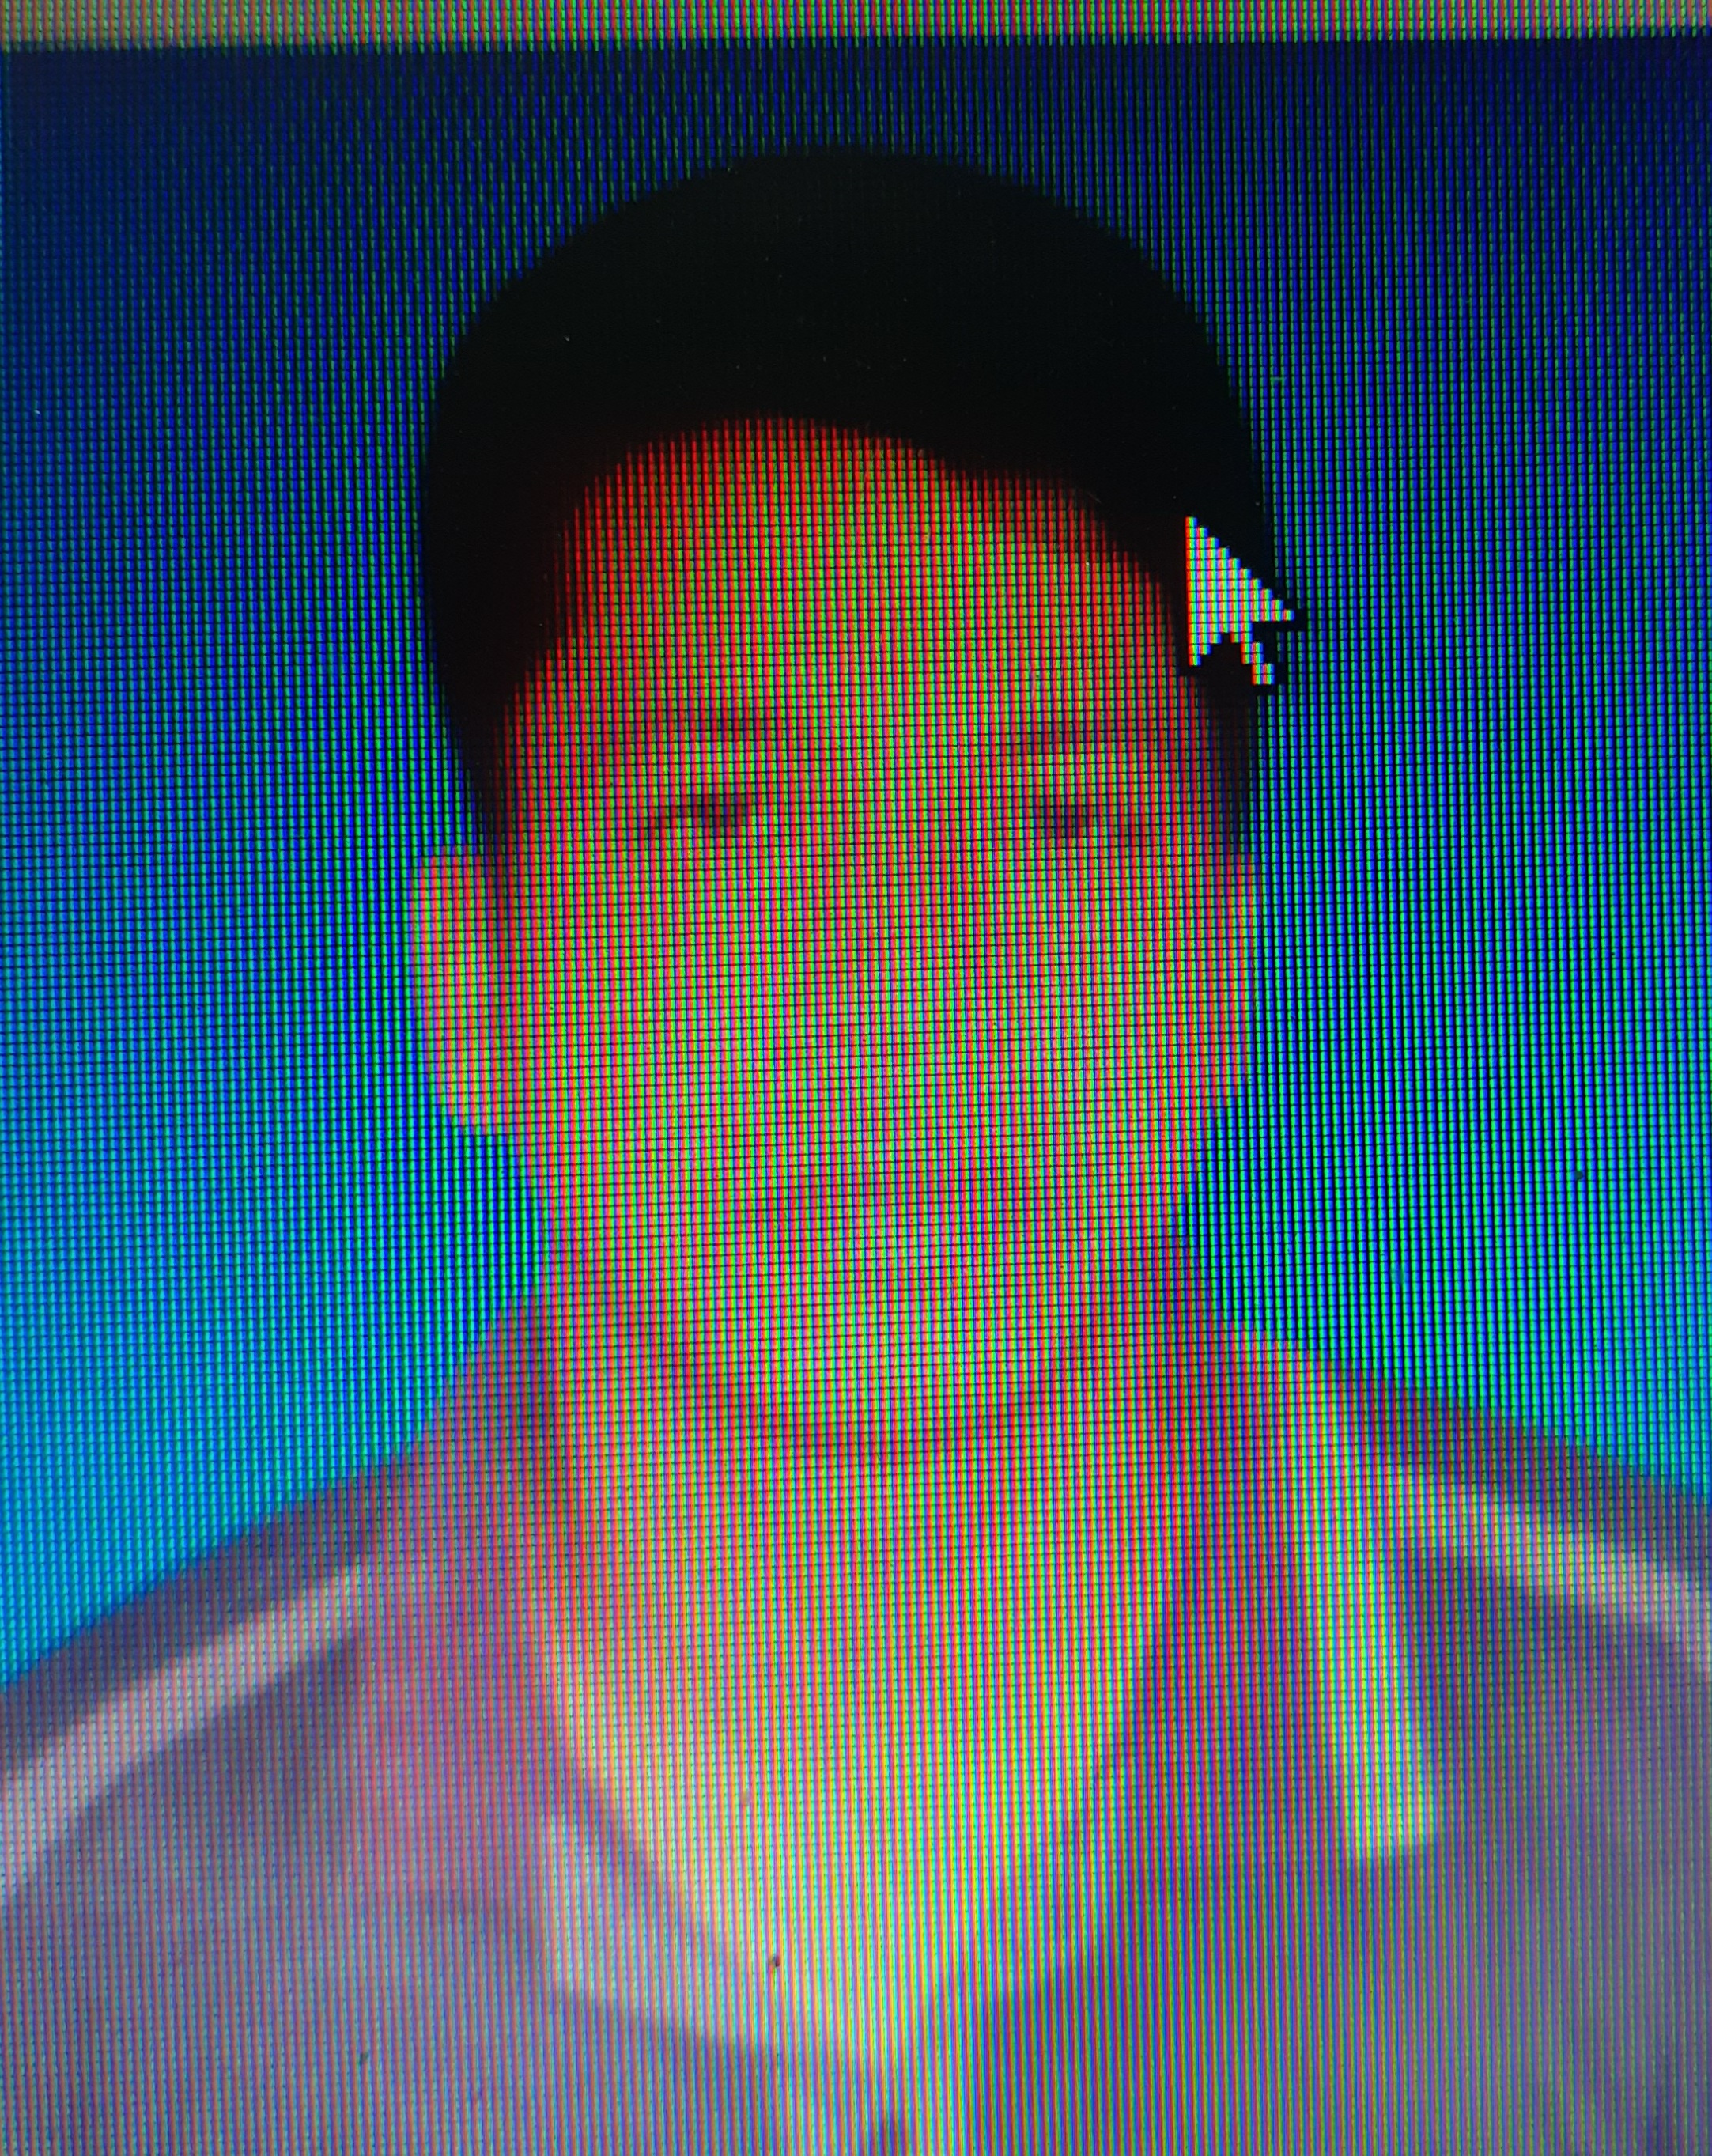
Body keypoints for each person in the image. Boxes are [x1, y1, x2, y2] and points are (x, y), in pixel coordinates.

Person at [2, 147, 1710, 2155]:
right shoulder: (58, 1904)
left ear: (1229, 975)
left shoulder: (1676, 1758)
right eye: (721, 823)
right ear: (475, 987)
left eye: (1060, 825)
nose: (906, 997)